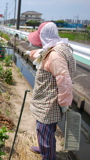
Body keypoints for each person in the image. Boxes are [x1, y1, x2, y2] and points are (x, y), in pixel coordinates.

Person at [25, 22, 76, 160]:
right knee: (43, 130)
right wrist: (30, 53)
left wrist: (65, 103)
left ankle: (48, 156)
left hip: (49, 102)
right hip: (45, 100)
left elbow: (64, 80)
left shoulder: (55, 56)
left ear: (44, 36)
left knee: (45, 132)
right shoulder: (56, 47)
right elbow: (42, 54)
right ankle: (43, 149)